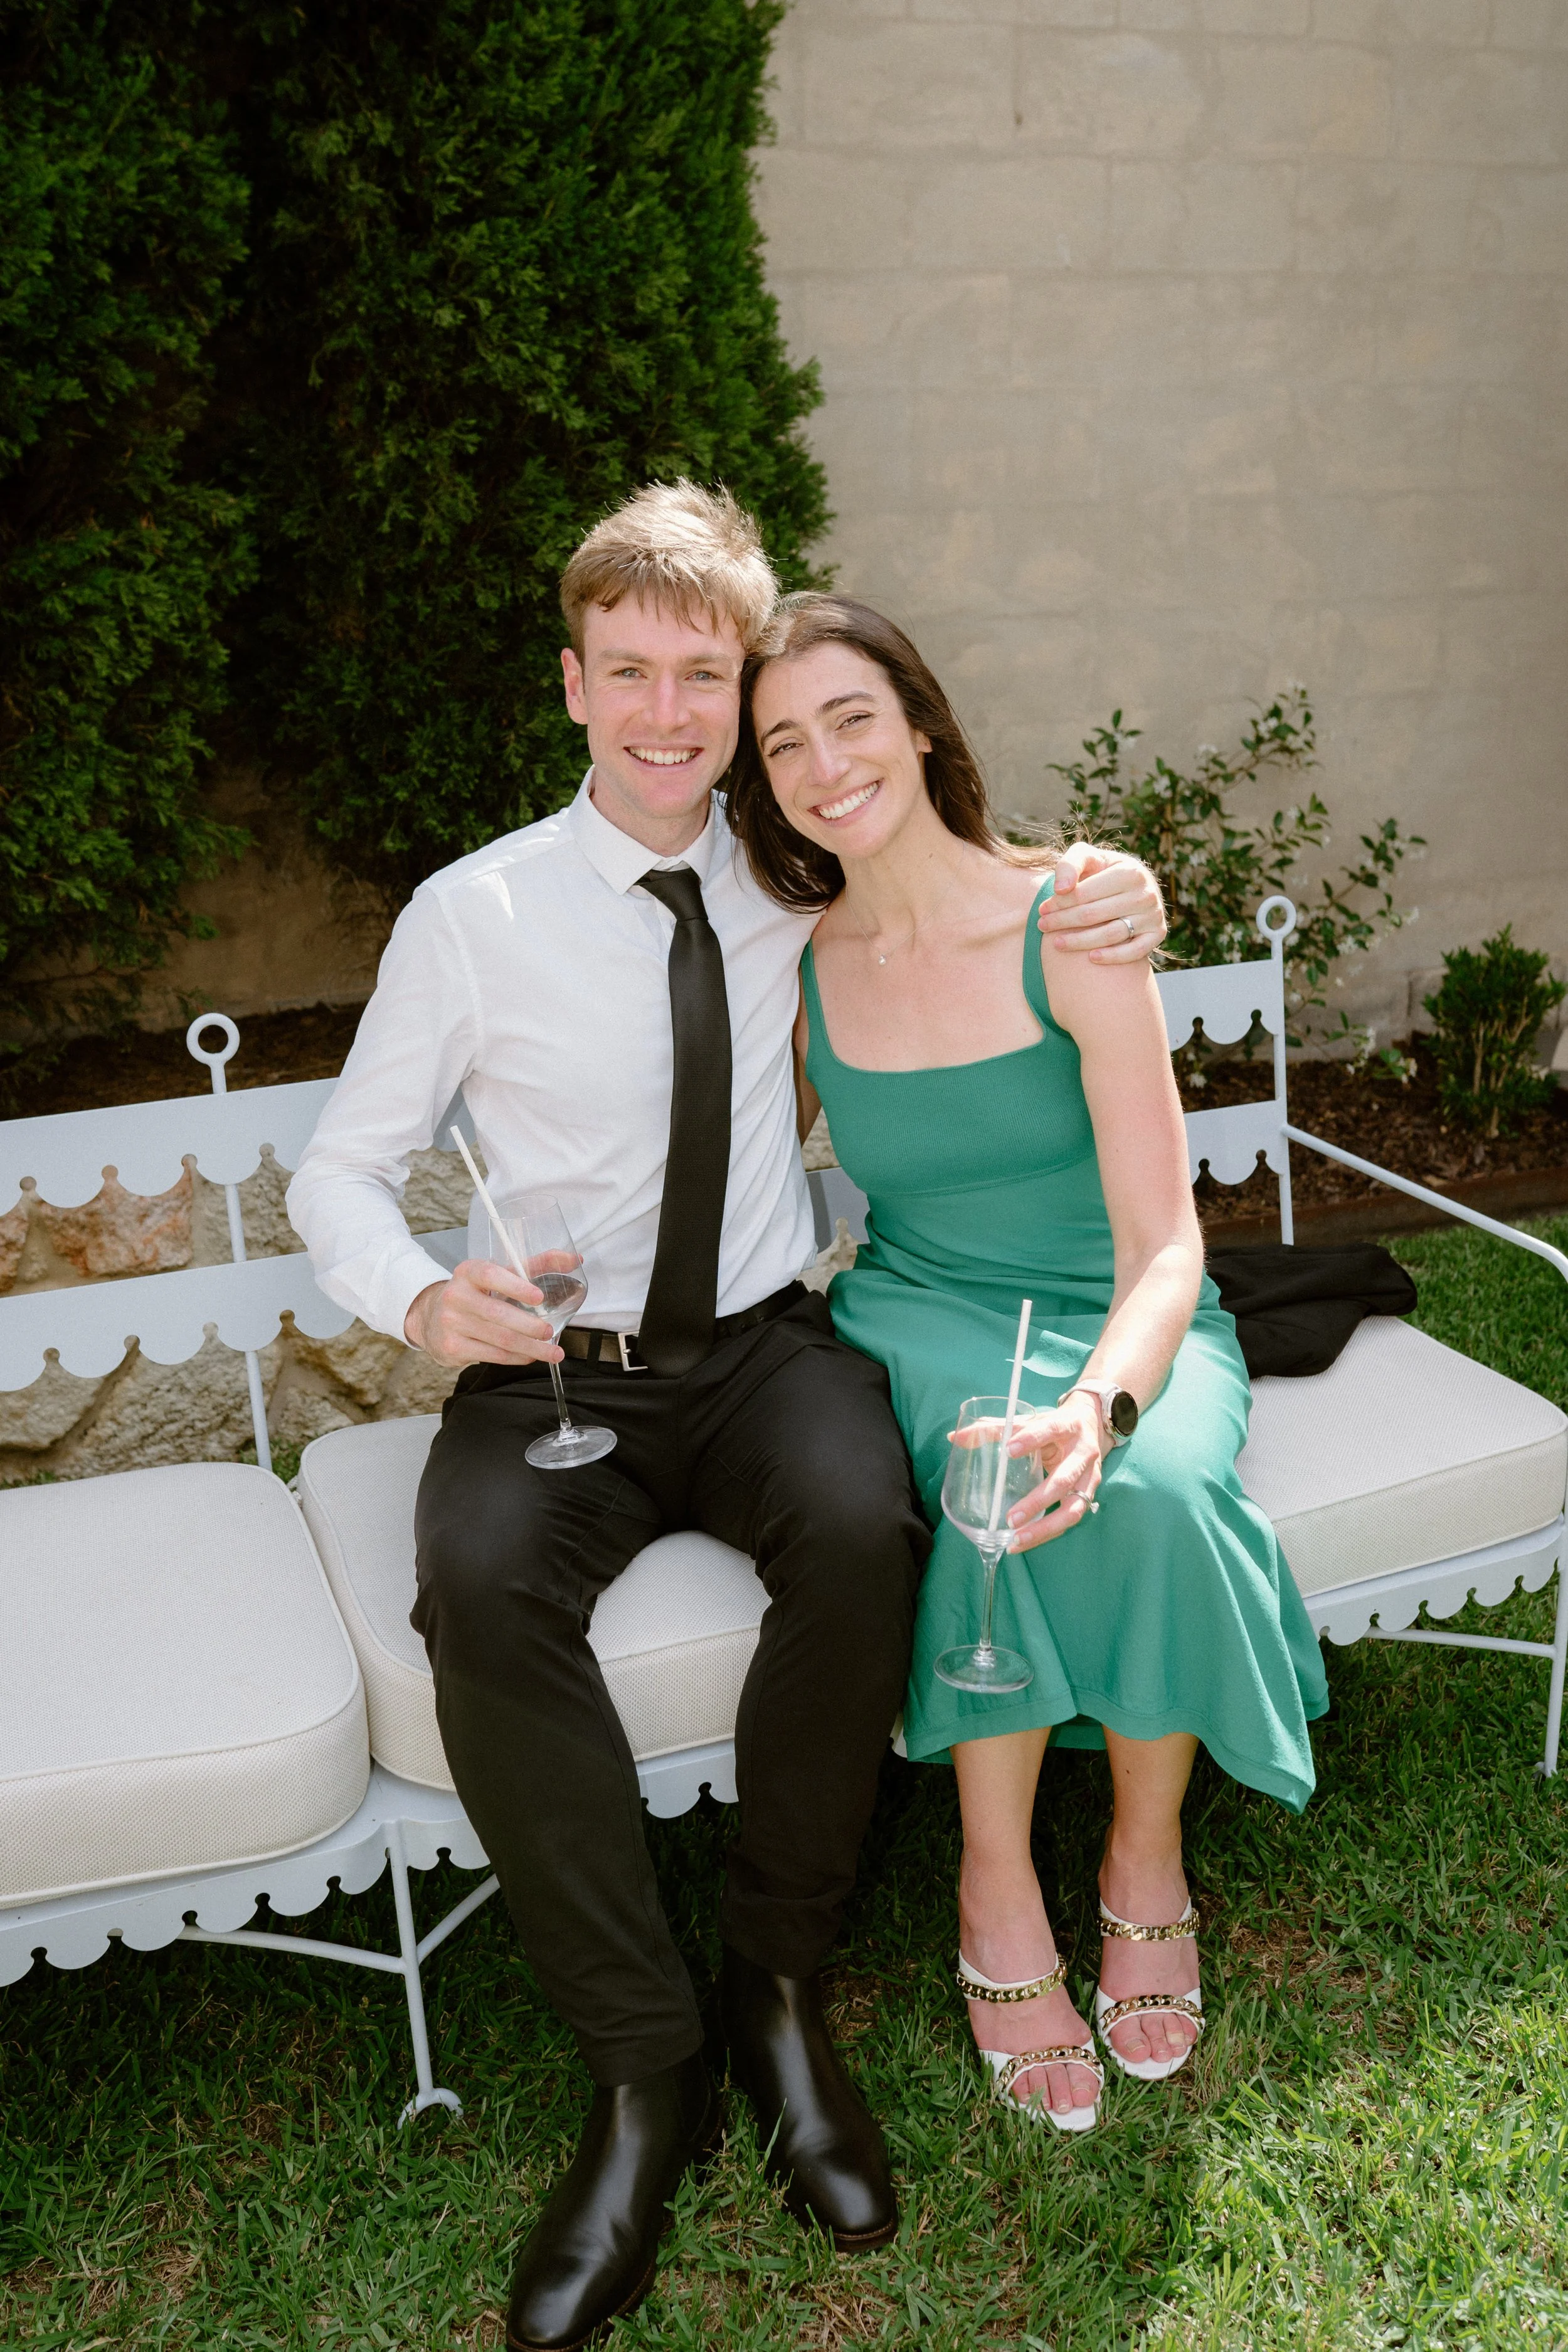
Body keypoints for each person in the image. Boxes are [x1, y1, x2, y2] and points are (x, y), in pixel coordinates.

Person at [287, 484, 1165, 2349]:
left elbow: (965, 888)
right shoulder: (477, 912)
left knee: (865, 1525)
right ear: (573, 684)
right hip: (553, 1369)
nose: (673, 710)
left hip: (766, 1345)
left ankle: (777, 1983)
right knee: (480, 1587)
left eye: (707, 672)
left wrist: (1113, 882)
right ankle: (641, 2065)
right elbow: (338, 1178)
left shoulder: (799, 873)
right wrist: (420, 1296)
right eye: (633, 672)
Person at [727, 592, 1329, 2139]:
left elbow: (1167, 1244)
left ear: (920, 723)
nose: (820, 762)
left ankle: (1142, 1856)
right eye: (780, 740)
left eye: (849, 716)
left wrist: (1104, 1401)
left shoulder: (1071, 917)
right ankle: (992, 1882)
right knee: (973, 1464)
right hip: (920, 1308)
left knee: (1157, 1487)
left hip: (1121, 1308)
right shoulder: (793, 964)